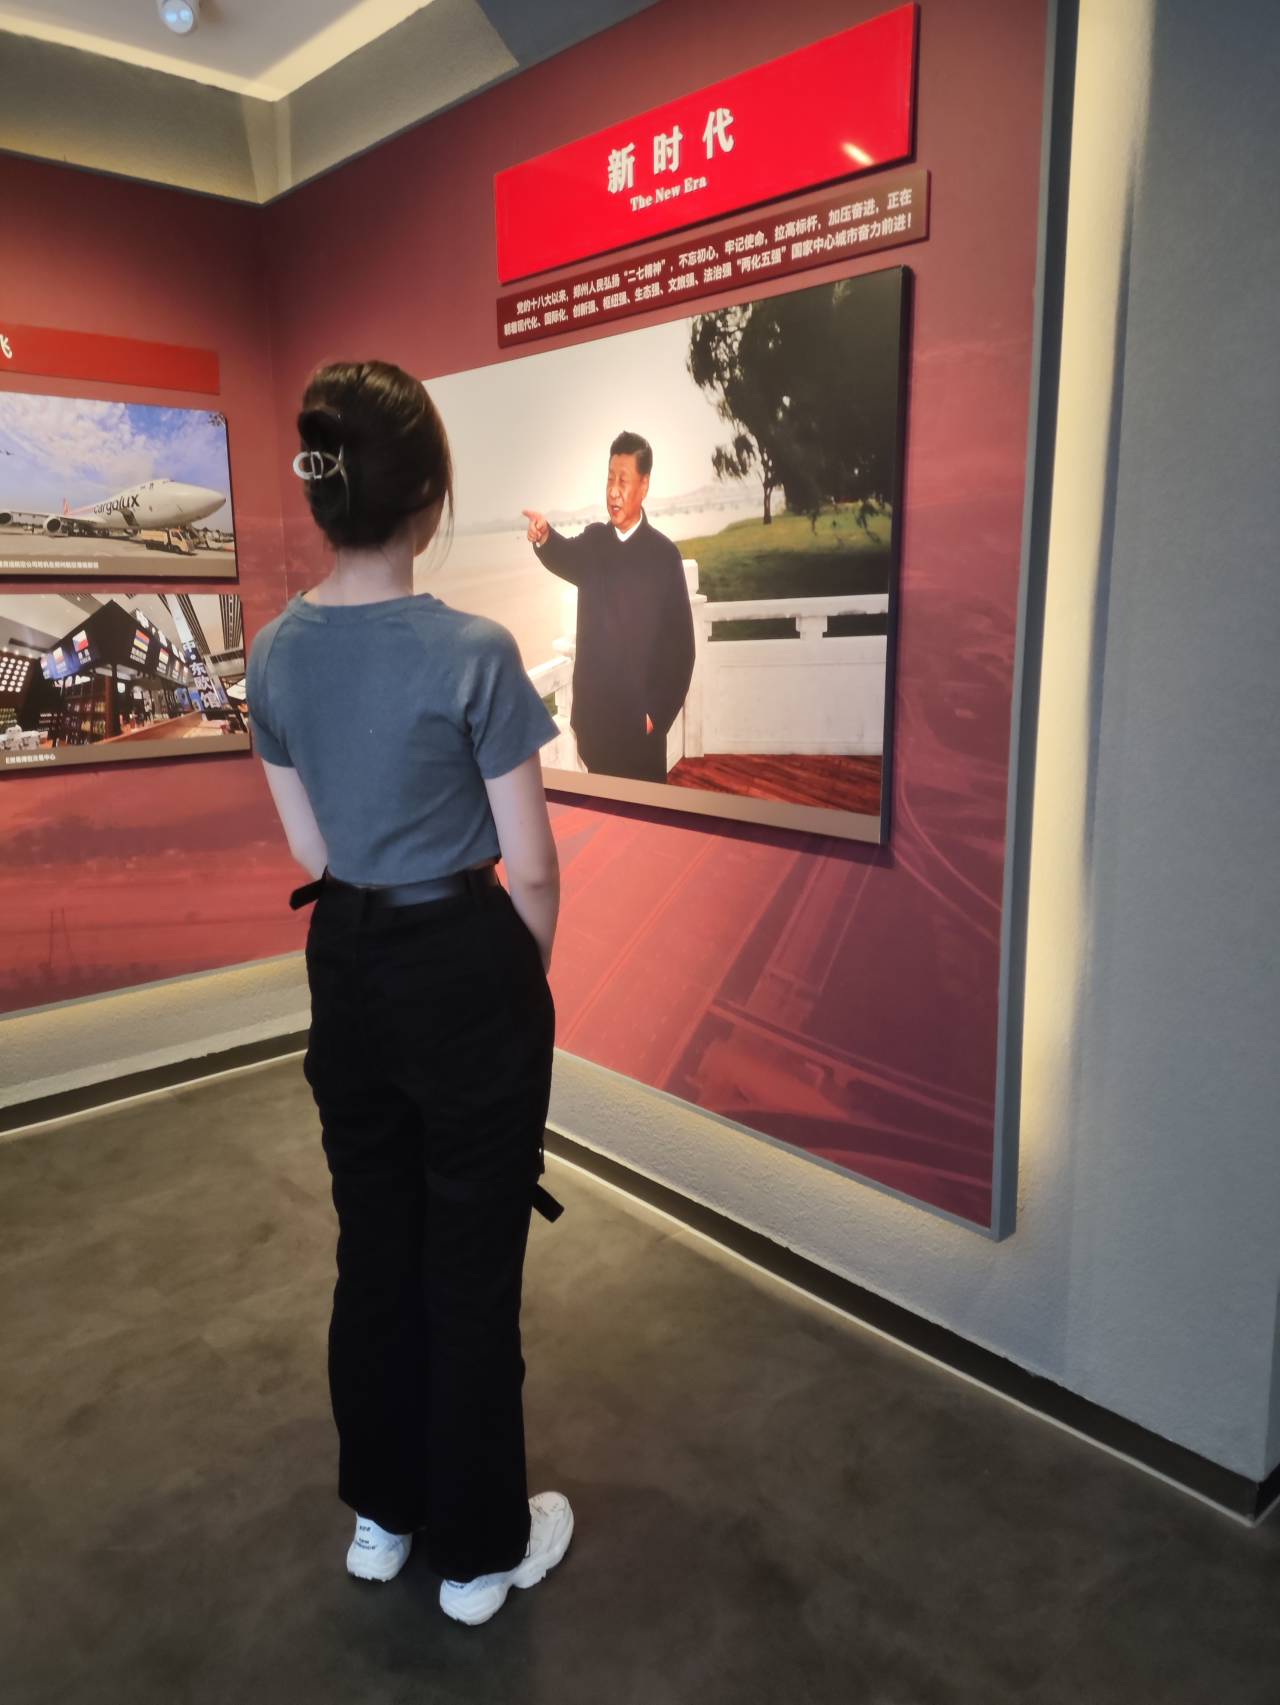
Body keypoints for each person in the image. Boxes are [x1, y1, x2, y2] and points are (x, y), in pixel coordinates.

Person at [246, 360, 573, 1627]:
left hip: (346, 962)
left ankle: (383, 1518)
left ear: (325, 496)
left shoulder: (275, 653)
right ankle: (481, 1551)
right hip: (461, 959)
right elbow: (530, 869)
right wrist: (509, 986)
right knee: (469, 1264)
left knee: (373, 1247)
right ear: (430, 497)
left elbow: (310, 850)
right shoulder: (474, 653)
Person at [523, 430, 695, 784]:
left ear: (644, 485)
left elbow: (682, 651)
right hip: (595, 727)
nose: (613, 491)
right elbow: (562, 554)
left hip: (640, 733)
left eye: (623, 480)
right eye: (609, 479)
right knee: (601, 810)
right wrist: (544, 537)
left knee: (645, 815)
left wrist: (655, 716)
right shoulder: (595, 542)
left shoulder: (664, 556)